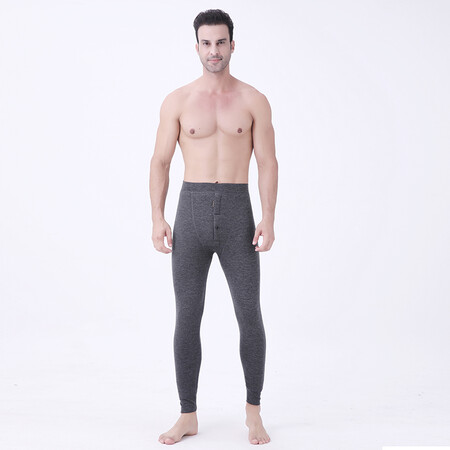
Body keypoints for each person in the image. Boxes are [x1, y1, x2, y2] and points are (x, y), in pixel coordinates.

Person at [149, 9, 278, 445]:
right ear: (197, 47)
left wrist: (268, 217)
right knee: (187, 316)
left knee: (249, 315)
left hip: (239, 214)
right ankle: (187, 414)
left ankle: (253, 413)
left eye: (221, 42)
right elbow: (160, 161)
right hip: (191, 213)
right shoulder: (178, 101)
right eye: (206, 43)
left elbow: (267, 162)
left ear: (232, 45)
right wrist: (157, 217)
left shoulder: (253, 100)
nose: (214, 50)